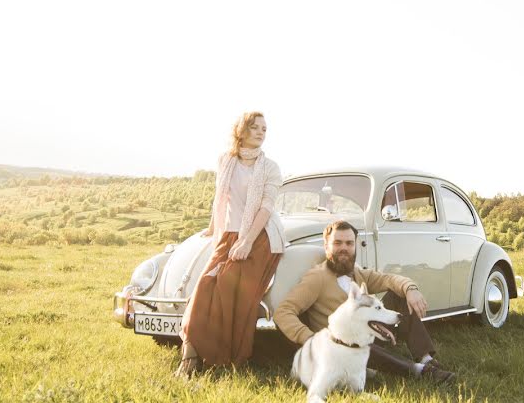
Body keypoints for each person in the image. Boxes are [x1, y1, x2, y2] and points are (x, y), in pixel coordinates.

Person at [274, 219, 456, 383]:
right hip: (341, 348)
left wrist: (411, 289)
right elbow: (283, 312)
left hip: (369, 336)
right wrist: (310, 338)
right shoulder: (317, 278)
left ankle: (426, 359)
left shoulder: (358, 274)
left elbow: (388, 279)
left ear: (355, 247)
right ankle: (420, 371)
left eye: (349, 243)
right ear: (326, 246)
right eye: (337, 243)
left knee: (398, 294)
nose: (344, 248)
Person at [175, 111, 285, 377]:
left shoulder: (270, 167)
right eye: (255, 127)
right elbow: (220, 199)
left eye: (264, 129)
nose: (261, 132)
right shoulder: (226, 161)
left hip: (260, 236)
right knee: (204, 284)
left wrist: (246, 241)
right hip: (229, 235)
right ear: (241, 130)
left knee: (227, 285)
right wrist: (214, 229)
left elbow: (266, 207)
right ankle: (190, 352)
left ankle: (224, 358)